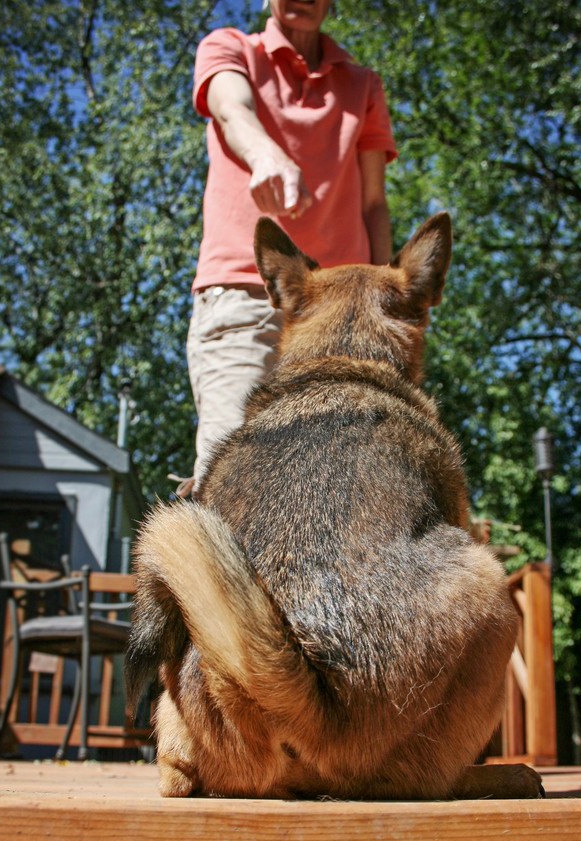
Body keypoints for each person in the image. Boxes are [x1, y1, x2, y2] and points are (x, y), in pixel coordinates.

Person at [179, 0, 397, 497]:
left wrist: (384, 298)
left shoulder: (362, 85)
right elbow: (232, 109)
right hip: (244, 294)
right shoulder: (230, 47)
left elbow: (373, 204)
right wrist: (265, 155)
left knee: (341, 488)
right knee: (229, 477)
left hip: (340, 314)